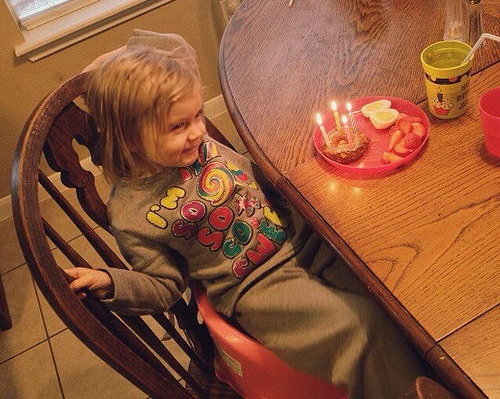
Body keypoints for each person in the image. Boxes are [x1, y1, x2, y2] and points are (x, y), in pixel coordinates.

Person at [66, 29, 426, 398]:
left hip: (301, 237)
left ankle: (435, 375)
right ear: (130, 138)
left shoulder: (198, 145)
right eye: (178, 126)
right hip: (256, 285)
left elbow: (255, 178)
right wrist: (112, 283)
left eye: (198, 115)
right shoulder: (131, 213)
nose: (198, 131)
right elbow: (163, 286)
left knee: (390, 287)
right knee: (362, 330)